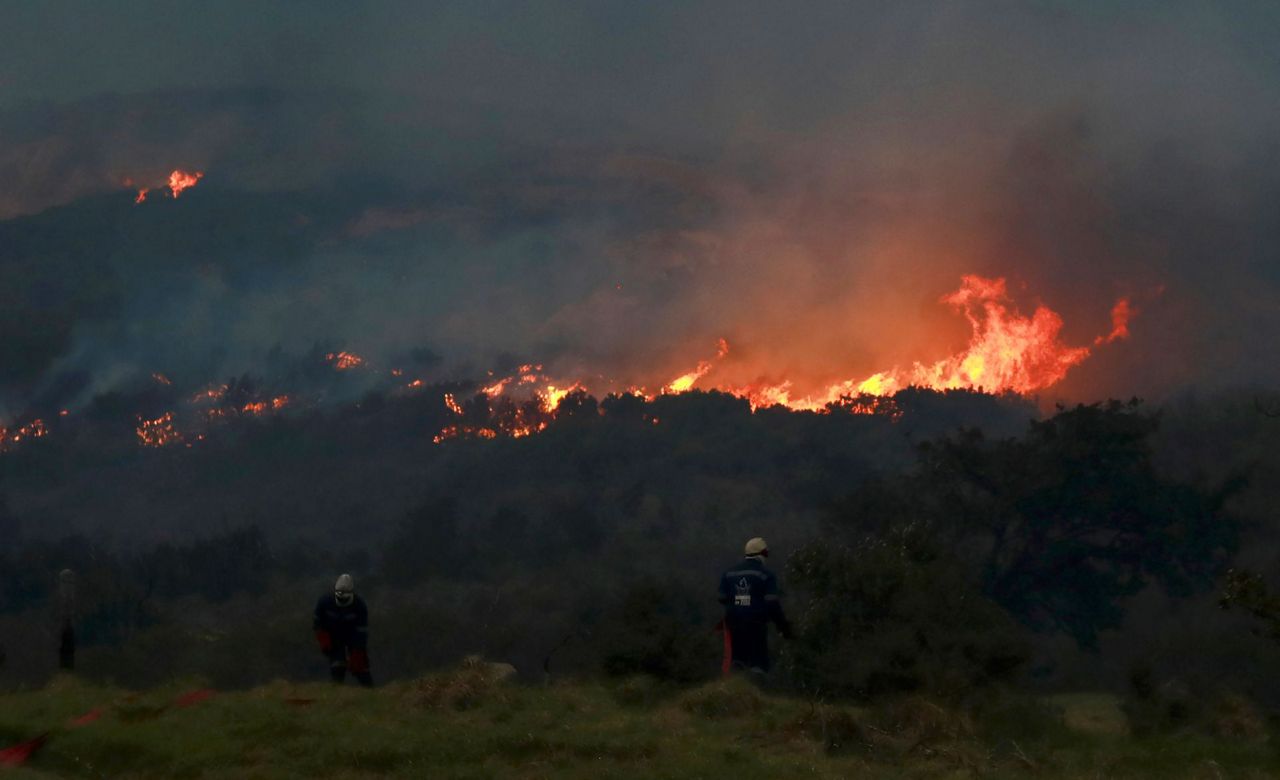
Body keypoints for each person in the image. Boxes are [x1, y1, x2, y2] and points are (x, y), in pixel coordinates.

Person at [718, 537, 791, 674]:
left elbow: (721, 597)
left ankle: (735, 688)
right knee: (759, 662)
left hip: (733, 623)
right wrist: (783, 626)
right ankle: (756, 689)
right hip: (756, 624)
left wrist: (740, 601)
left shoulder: (729, 573)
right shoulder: (766, 575)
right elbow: (772, 604)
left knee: (737, 660)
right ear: (762, 554)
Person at [313, 574, 372, 686]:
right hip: (333, 636)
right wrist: (322, 637)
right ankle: (337, 691)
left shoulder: (359, 606)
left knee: (361, 667)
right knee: (337, 665)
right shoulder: (324, 602)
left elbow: (361, 632)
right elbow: (317, 622)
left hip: (353, 637)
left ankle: (370, 692)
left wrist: (358, 651)